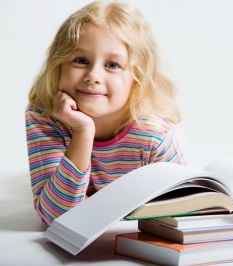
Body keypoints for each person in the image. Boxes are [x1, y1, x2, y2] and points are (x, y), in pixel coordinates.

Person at [25, 1, 186, 226]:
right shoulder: (46, 116)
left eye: (112, 65)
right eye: (81, 60)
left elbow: (179, 210)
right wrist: (83, 131)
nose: (93, 75)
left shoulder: (154, 137)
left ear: (137, 78)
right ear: (58, 65)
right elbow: (54, 217)